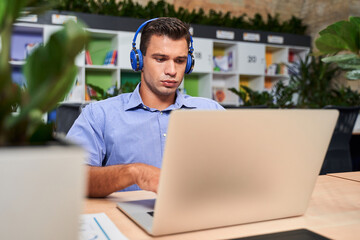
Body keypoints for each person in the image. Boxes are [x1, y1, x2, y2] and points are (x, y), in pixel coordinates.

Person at [67, 17, 224, 197]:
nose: (172, 70)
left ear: (188, 64)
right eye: (160, 59)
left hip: (201, 211)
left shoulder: (212, 111)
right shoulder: (99, 115)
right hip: (128, 219)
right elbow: (71, 178)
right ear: (138, 61)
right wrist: (134, 172)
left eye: (180, 61)